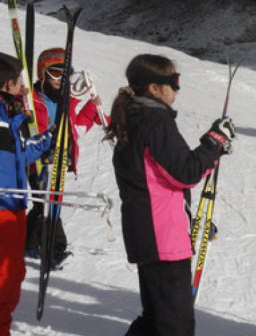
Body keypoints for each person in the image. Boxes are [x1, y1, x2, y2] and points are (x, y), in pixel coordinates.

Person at [105, 54, 235, 336]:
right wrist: (214, 143)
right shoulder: (154, 120)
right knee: (175, 325)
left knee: (156, 319)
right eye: (174, 82)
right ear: (154, 87)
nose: (177, 89)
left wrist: (213, 147)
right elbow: (185, 172)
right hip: (161, 237)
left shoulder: (137, 117)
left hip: (152, 235)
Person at [25, 47, 109, 268]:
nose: (60, 79)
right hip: (38, 160)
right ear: (42, 73)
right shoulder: (31, 100)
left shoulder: (66, 101)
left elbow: (77, 128)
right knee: (50, 204)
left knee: (42, 203)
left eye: (65, 73)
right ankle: (54, 249)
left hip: (60, 159)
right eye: (54, 72)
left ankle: (29, 244)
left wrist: (93, 110)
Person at [0, 53, 53, 336]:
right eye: (20, 81)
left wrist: (48, 139)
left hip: (13, 206)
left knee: (12, 278)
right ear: (7, 84)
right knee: (3, 283)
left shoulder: (8, 121)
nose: (24, 87)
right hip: (2, 208)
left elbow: (18, 156)